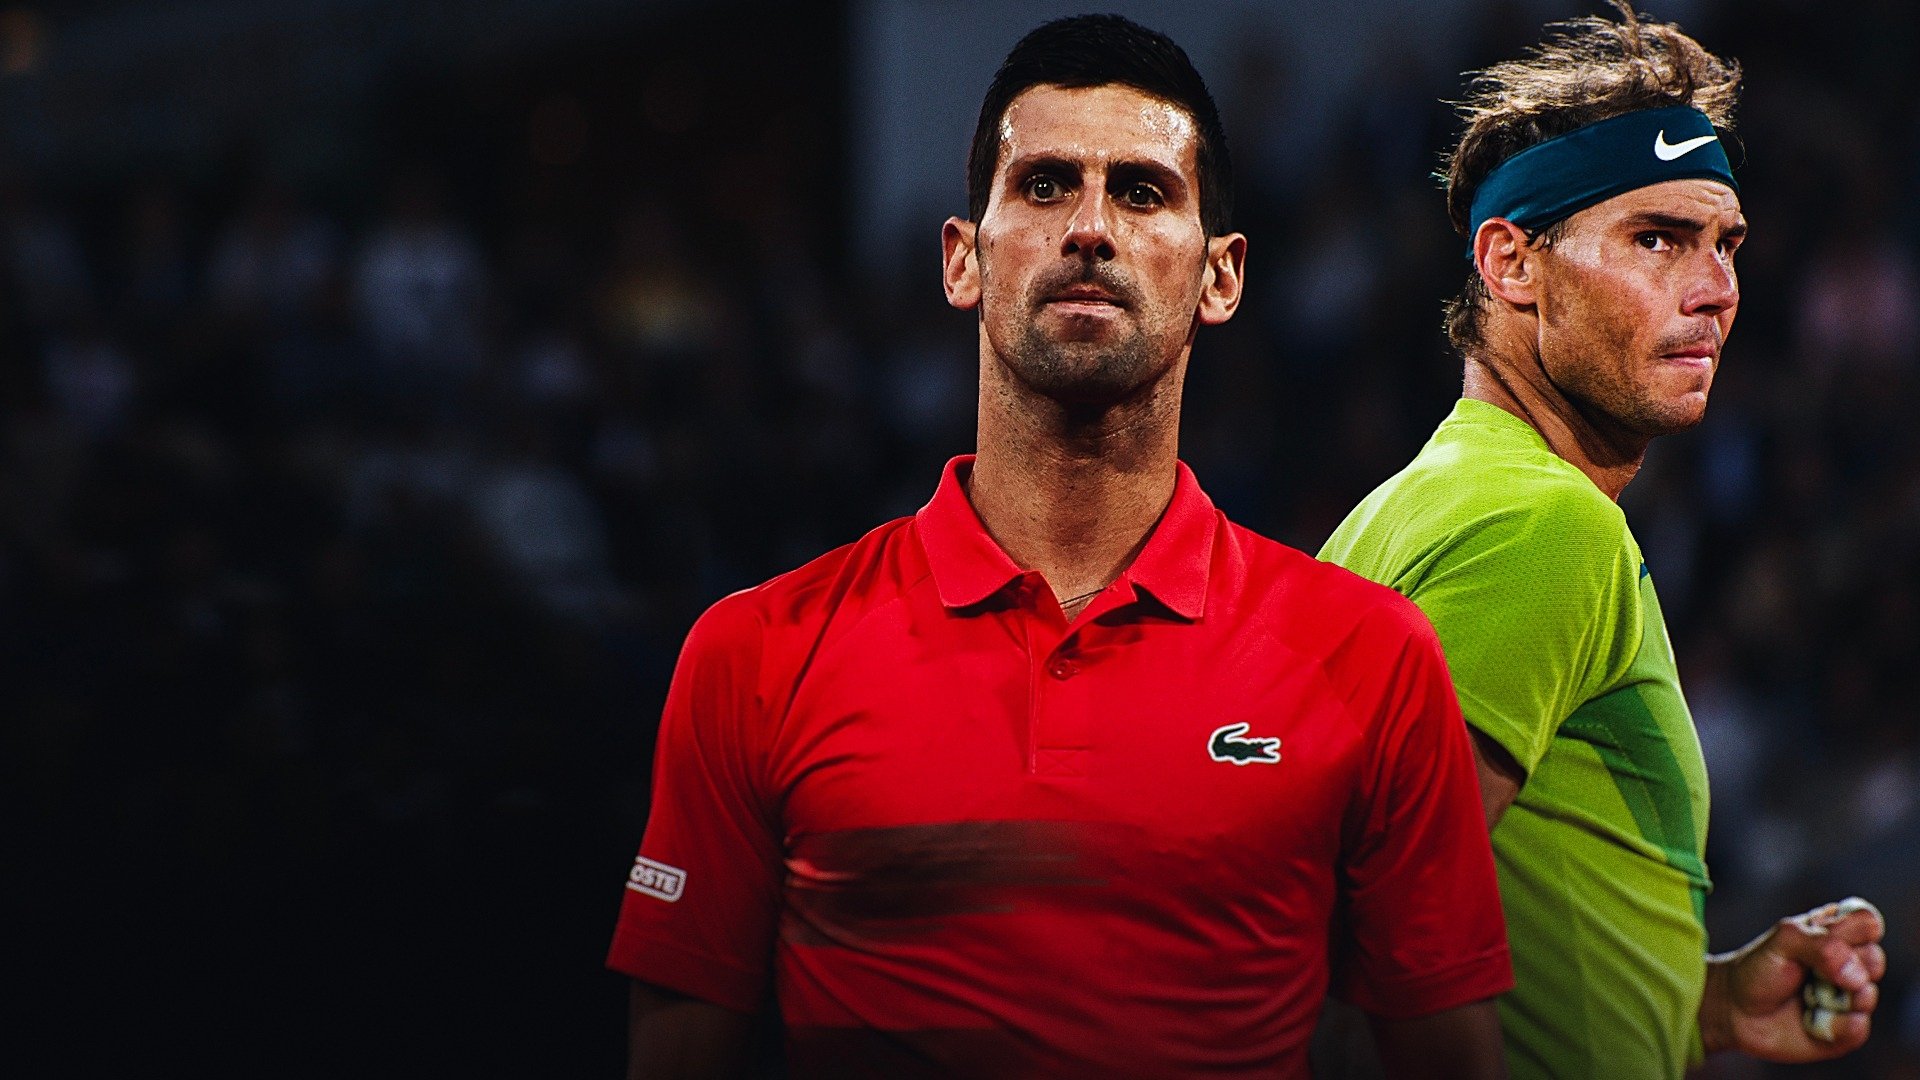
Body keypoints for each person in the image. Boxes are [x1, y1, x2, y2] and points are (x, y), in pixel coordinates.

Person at [608, 14, 1511, 1078]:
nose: (1089, 228)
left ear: (1220, 277)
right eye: (1043, 186)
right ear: (963, 260)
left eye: (1141, 192)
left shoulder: (1373, 658)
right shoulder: (754, 655)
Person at [1318, 4, 1887, 1077]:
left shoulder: (1396, 509)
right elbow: (1374, 933)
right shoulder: (1546, 526)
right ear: (1512, 264)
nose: (1715, 290)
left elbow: (1482, 915)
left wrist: (1703, 1003)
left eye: (1725, 244)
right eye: (1656, 239)